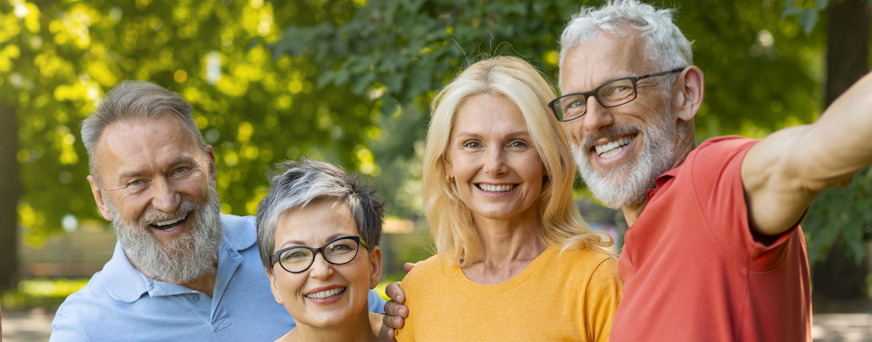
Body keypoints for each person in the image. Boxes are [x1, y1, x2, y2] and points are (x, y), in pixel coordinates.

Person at [386, 0, 872, 341]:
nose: (595, 119)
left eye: (620, 89)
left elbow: (811, 153)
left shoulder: (711, 184)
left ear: (686, 94)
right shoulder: (636, 256)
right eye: (577, 102)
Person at [49, 81, 385, 341]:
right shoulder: (85, 327)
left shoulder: (294, 249)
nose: (166, 201)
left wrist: (416, 300)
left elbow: (375, 324)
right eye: (137, 182)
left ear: (209, 167)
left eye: (180, 169)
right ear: (102, 198)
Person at [394, 56, 622, 342]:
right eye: (472, 144)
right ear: (448, 163)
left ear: (548, 160)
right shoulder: (417, 289)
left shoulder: (595, 280)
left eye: (518, 143)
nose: (494, 165)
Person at [256, 159, 387, 342]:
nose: (321, 271)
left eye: (340, 247)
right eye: (295, 254)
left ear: (373, 266)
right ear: (274, 283)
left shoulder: (422, 333)